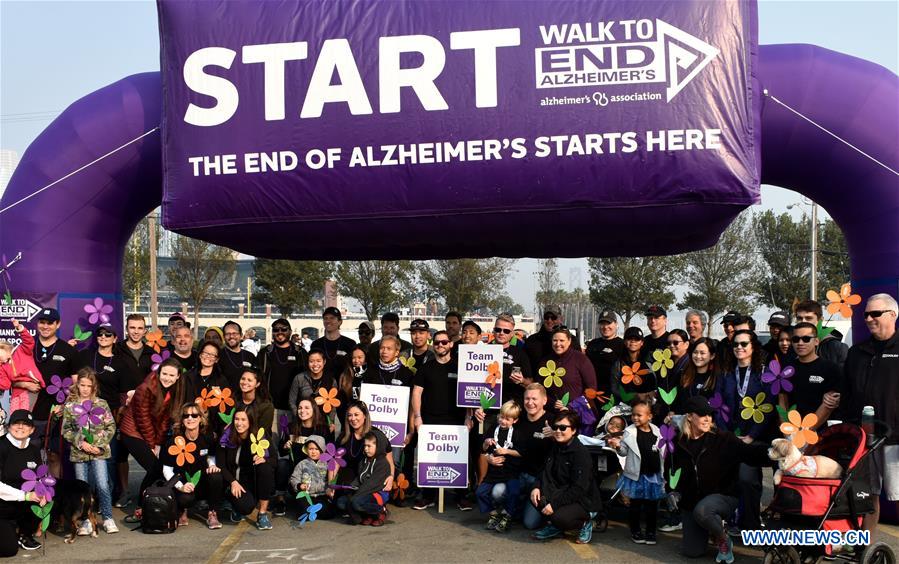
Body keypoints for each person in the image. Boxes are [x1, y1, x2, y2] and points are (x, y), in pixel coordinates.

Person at [667, 396, 770, 563]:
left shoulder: (723, 438)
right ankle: (711, 528)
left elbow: (750, 453)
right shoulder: (678, 442)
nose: (708, 418)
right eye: (702, 414)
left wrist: (774, 452)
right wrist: (672, 491)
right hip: (692, 501)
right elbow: (670, 471)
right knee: (692, 551)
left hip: (723, 496)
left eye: (710, 414)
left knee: (703, 510)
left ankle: (722, 539)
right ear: (690, 417)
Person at [842, 293, 898, 531]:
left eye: (875, 313)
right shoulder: (857, 352)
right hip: (864, 439)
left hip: (896, 438)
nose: (868, 318)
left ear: (893, 315)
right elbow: (846, 392)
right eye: (865, 314)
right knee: (867, 496)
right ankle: (868, 547)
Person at [118, 357, 187, 523]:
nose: (167, 378)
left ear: (178, 377)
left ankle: (148, 505)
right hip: (132, 431)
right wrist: (150, 445)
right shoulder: (145, 388)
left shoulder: (173, 390)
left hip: (149, 433)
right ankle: (141, 508)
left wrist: (158, 444)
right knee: (155, 468)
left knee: (157, 468)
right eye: (164, 374)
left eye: (172, 375)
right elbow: (143, 419)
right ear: (159, 372)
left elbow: (164, 420)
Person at [411, 331, 468, 510]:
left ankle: (461, 496)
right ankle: (428, 496)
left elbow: (469, 393)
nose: (440, 345)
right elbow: (417, 393)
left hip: (456, 421)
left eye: (444, 342)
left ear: (451, 344)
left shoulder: (461, 367)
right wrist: (418, 417)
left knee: (459, 460)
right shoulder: (426, 368)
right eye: (436, 343)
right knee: (429, 460)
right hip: (430, 421)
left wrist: (468, 417)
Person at [724, 329, 773, 533]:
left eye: (744, 344)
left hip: (755, 439)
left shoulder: (763, 374)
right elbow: (722, 407)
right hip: (731, 438)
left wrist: (751, 436)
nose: (739, 348)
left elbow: (768, 408)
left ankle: (751, 525)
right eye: (736, 344)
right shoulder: (727, 374)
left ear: (753, 347)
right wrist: (727, 435)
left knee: (747, 479)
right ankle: (732, 520)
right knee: (729, 479)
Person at [529, 411, 603, 544]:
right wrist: (536, 487)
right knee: (536, 497)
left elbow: (579, 489)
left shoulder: (580, 453)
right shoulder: (556, 447)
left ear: (573, 430)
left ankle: (586, 522)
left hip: (583, 500)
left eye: (563, 428)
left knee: (559, 517)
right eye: (555, 427)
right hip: (561, 491)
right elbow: (544, 471)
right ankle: (556, 526)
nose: (558, 431)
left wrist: (554, 504)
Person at [61, 368, 118, 535]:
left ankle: (108, 518)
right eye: (82, 385)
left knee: (102, 484)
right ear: (77, 385)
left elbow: (111, 426)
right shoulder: (71, 406)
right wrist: (81, 443)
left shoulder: (101, 404)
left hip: (99, 452)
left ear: (94, 386)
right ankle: (86, 520)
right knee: (83, 488)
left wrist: (98, 445)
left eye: (89, 385)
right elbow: (66, 430)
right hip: (79, 454)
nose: (85, 388)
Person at [29, 308, 84, 477]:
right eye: (42, 322)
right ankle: (30, 495)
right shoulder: (27, 346)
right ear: (38, 324)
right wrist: (24, 383)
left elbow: (77, 385)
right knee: (29, 457)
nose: (45, 326)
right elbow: (10, 375)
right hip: (30, 411)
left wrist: (65, 405)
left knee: (54, 456)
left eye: (50, 323)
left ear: (58, 324)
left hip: (57, 412)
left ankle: (55, 495)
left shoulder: (68, 350)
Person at [607, 400, 664, 545]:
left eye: (639, 415)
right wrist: (618, 446)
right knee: (636, 505)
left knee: (652, 506)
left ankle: (651, 531)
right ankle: (635, 530)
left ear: (649, 416)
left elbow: (662, 451)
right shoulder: (629, 432)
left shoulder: (657, 431)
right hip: (636, 476)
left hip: (653, 476)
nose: (635, 418)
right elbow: (624, 451)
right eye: (633, 415)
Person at [160, 402, 223, 529]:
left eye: (194, 415)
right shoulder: (174, 441)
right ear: (182, 420)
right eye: (186, 415)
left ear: (200, 418)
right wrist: (180, 487)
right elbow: (167, 469)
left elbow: (211, 456)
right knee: (185, 499)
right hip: (184, 486)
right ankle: (183, 510)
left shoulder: (208, 438)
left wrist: (211, 465)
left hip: (201, 484)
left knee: (216, 476)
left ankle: (212, 513)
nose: (190, 418)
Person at [115, 314, 155, 507]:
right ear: (127, 328)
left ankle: (149, 490)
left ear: (145, 330)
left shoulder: (151, 352)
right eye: (132, 328)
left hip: (145, 407)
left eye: (140, 328)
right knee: (121, 452)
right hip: (121, 405)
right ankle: (123, 491)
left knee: (148, 450)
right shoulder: (117, 350)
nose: (136, 332)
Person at [218, 407, 277, 530]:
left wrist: (264, 459)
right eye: (237, 419)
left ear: (250, 421)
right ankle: (232, 502)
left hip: (253, 484)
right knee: (245, 508)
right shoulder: (226, 436)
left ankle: (262, 514)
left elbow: (274, 459)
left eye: (243, 420)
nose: (239, 423)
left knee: (265, 467)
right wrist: (232, 482)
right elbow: (221, 465)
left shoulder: (260, 436)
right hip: (234, 482)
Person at [778, 322, 840, 429]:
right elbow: (782, 401)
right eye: (796, 339)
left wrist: (806, 432)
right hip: (792, 432)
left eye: (806, 339)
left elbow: (828, 405)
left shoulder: (830, 368)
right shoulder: (786, 368)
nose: (800, 343)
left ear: (816, 341)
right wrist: (787, 430)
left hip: (820, 433)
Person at [0, 410, 45, 555]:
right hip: (2, 507)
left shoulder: (33, 449)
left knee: (44, 496)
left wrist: (42, 492)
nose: (21, 427)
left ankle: (24, 534)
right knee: (8, 550)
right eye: (16, 423)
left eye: (25, 424)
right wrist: (25, 495)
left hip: (21, 505)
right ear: (8, 426)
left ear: (32, 429)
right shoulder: (2, 446)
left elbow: (39, 477)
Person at [257, 318, 307, 441]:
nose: (280, 332)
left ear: (290, 331)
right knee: (272, 444)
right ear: (272, 332)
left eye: (284, 329)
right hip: (271, 408)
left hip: (295, 409)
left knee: (291, 446)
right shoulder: (265, 353)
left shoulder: (300, 353)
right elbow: (257, 378)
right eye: (276, 330)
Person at [477, 401, 522, 533]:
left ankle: (507, 515)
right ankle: (494, 514)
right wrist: (486, 443)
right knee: (480, 492)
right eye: (501, 417)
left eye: (507, 419)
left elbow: (521, 453)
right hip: (493, 472)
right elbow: (483, 450)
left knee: (514, 492)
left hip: (510, 471)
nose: (503, 421)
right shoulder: (493, 428)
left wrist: (506, 451)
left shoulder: (517, 433)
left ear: (515, 420)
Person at [336, 432, 392, 526]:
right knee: (341, 502)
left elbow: (372, 484)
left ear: (378, 446)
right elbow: (359, 478)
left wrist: (355, 496)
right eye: (365, 446)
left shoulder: (382, 463)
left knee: (355, 502)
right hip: (363, 491)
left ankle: (381, 511)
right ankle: (367, 515)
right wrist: (350, 487)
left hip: (377, 493)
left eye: (369, 446)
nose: (366, 449)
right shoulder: (364, 461)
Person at [673, 338, 730, 429]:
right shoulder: (684, 375)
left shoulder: (717, 378)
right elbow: (678, 402)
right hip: (684, 428)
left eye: (702, 353)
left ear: (712, 356)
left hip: (707, 429)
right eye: (695, 352)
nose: (698, 356)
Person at [338, 401, 394, 491]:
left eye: (356, 415)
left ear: (364, 416)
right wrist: (331, 484)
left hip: (370, 476)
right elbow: (336, 461)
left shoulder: (377, 434)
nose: (353, 418)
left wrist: (391, 477)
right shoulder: (343, 436)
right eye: (349, 415)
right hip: (348, 477)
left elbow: (389, 460)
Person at [538, 328, 597, 411]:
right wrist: (551, 403)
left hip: (576, 413)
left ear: (569, 341)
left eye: (562, 340)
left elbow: (592, 388)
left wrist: (571, 406)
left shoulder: (581, 359)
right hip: (552, 412)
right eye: (555, 340)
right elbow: (540, 389)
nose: (558, 344)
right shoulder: (545, 361)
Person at [0, 318, 44, 413]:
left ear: (3, 348)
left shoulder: (21, 351)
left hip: (31, 387)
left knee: (24, 415)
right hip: (16, 391)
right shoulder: (2, 366)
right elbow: (6, 384)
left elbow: (29, 342)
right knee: (14, 415)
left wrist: (20, 328)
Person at [288, 435, 336, 520]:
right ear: (306, 450)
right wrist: (299, 485)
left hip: (321, 495)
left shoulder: (326, 464)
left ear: (321, 450)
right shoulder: (302, 464)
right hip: (306, 494)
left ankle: (315, 510)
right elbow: (294, 478)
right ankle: (310, 511)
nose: (313, 452)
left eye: (316, 449)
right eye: (311, 449)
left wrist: (330, 489)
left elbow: (331, 479)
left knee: (329, 512)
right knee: (303, 511)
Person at [491, 313, 534, 408]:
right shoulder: (482, 351)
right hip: (487, 409)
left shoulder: (520, 354)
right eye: (498, 330)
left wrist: (522, 380)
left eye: (506, 331)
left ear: (512, 334)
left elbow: (531, 384)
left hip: (512, 410)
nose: (501, 333)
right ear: (493, 331)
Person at [794, 300, 849, 369]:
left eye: (808, 318)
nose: (803, 322)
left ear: (821, 320)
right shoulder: (790, 345)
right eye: (799, 318)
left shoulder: (837, 348)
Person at [526, 305, 581, 369]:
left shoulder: (572, 340)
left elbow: (580, 362)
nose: (549, 320)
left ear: (561, 319)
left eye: (553, 317)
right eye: (546, 317)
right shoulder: (532, 341)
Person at [311, 307, 356, 380]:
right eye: (325, 318)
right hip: (321, 387)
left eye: (332, 318)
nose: (328, 321)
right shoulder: (316, 344)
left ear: (340, 322)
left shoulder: (350, 344)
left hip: (343, 387)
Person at [585, 310, 624, 394]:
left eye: (609, 323)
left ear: (616, 324)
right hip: (593, 392)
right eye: (602, 323)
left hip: (614, 393)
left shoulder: (622, 345)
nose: (605, 327)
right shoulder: (592, 344)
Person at [185, 341, 229, 410]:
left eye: (212, 355)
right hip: (190, 417)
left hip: (212, 419)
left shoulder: (221, 380)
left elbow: (224, 405)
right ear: (200, 355)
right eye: (205, 353)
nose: (208, 356)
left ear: (216, 359)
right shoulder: (187, 376)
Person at [219, 321, 257, 394]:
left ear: (241, 335)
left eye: (234, 333)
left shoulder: (250, 356)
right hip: (224, 400)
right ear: (224, 337)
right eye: (228, 334)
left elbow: (257, 378)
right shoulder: (218, 355)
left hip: (246, 400)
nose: (231, 336)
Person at [235, 368, 274, 437]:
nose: (244, 382)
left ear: (257, 384)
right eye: (243, 379)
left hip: (256, 443)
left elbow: (262, 431)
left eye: (249, 380)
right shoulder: (233, 399)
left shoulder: (266, 406)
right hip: (234, 439)